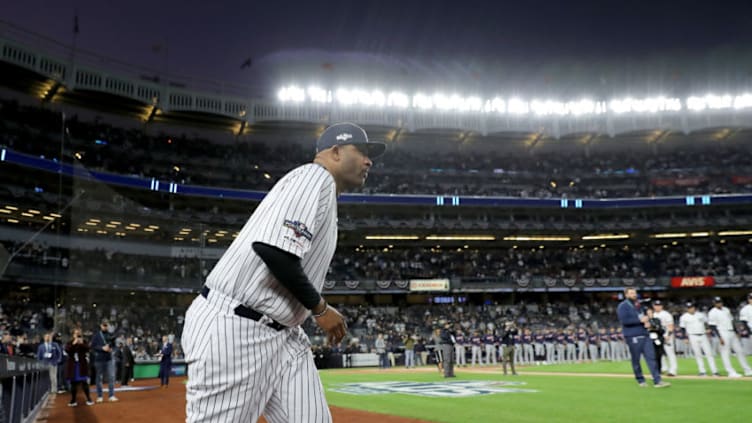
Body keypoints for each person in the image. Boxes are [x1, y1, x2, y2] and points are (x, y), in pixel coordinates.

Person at [182, 122, 384, 423]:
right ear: (336, 152)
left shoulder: (323, 191)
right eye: (363, 152)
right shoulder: (314, 177)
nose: (369, 161)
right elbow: (273, 251)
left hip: (283, 334)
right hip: (238, 327)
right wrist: (321, 309)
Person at [616, 288, 670, 388]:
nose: (634, 294)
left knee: (651, 357)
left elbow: (644, 317)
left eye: (635, 293)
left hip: (644, 334)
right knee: (636, 359)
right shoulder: (623, 306)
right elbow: (624, 321)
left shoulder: (639, 305)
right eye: (631, 293)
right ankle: (640, 379)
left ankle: (657, 380)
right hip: (633, 335)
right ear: (626, 295)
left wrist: (647, 323)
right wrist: (639, 320)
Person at [707, 297, 752, 377]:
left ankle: (747, 370)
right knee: (725, 353)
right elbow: (712, 326)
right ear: (714, 303)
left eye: (720, 302)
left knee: (740, 351)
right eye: (717, 302)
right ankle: (730, 371)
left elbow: (731, 321)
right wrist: (719, 337)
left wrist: (736, 332)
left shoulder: (726, 309)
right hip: (722, 332)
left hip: (731, 331)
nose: (719, 303)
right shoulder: (712, 312)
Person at [679, 301, 718, 376]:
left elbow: (707, 323)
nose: (691, 309)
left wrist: (708, 329)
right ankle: (702, 371)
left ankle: (714, 371)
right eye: (689, 308)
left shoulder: (701, 315)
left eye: (692, 307)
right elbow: (682, 328)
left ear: (694, 308)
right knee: (698, 354)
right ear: (687, 309)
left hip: (703, 335)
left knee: (709, 353)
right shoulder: (684, 317)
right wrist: (685, 337)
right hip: (692, 336)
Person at [90, 319, 119, 402]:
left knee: (111, 377)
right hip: (99, 359)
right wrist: (102, 348)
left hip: (109, 358)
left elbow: (114, 346)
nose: (105, 327)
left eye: (106, 325)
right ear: (101, 326)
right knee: (99, 377)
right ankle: (99, 396)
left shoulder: (110, 335)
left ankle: (111, 395)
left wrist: (111, 349)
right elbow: (92, 347)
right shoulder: (96, 336)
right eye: (104, 325)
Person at [64, 328, 94, 407]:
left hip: (81, 365)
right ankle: (73, 400)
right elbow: (67, 350)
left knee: (84, 382)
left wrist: (81, 344)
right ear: (73, 335)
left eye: (79, 334)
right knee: (73, 383)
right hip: (73, 366)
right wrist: (74, 343)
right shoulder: (70, 342)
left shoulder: (83, 342)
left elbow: (88, 349)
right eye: (76, 334)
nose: (77, 335)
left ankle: (88, 398)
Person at [652, 300, 678, 376]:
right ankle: (663, 368)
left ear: (662, 306)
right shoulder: (653, 315)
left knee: (670, 353)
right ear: (653, 306)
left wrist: (668, 335)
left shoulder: (666, 314)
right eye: (656, 305)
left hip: (666, 335)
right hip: (657, 336)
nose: (657, 307)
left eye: (659, 305)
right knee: (659, 353)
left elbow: (671, 326)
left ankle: (673, 370)